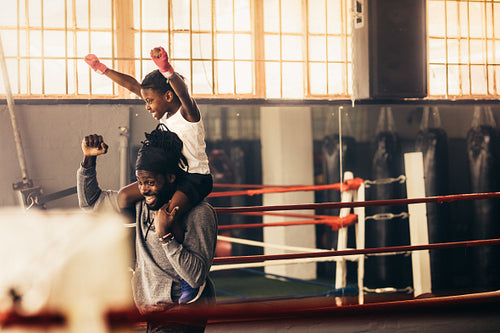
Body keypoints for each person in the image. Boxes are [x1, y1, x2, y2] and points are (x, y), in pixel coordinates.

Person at [85, 47, 213, 302]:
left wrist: (167, 70)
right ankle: (130, 250)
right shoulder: (163, 111)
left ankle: (189, 281)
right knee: (123, 197)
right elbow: (134, 84)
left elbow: (184, 93)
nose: (146, 106)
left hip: (195, 179)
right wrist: (103, 69)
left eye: (150, 101)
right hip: (174, 174)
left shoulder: (188, 115)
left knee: (164, 220)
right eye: (145, 101)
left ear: (168, 95)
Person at [77, 127, 218, 332]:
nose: (144, 189)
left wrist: (167, 237)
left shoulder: (200, 212)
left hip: (183, 314)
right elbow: (91, 203)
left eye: (150, 183)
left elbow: (195, 276)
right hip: (154, 312)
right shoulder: (141, 204)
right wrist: (88, 161)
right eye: (141, 182)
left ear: (170, 177)